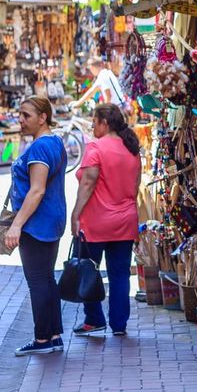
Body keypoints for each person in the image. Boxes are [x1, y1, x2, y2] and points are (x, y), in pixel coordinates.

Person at [69, 104, 142, 337]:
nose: (92, 126)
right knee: (120, 274)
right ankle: (119, 324)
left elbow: (88, 182)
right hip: (125, 220)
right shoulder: (132, 149)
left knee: (88, 269)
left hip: (96, 221)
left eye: (94, 122)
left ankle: (93, 319)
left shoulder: (96, 147)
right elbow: (135, 185)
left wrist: (75, 214)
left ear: (105, 123)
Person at [4, 97, 68, 355]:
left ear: (42, 118)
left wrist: (16, 225)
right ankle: (53, 335)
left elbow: (37, 190)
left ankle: (42, 339)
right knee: (46, 278)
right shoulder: (54, 142)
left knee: (38, 280)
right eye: (20, 114)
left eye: (26, 115)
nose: (21, 120)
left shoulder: (41, 147)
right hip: (51, 219)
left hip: (37, 223)